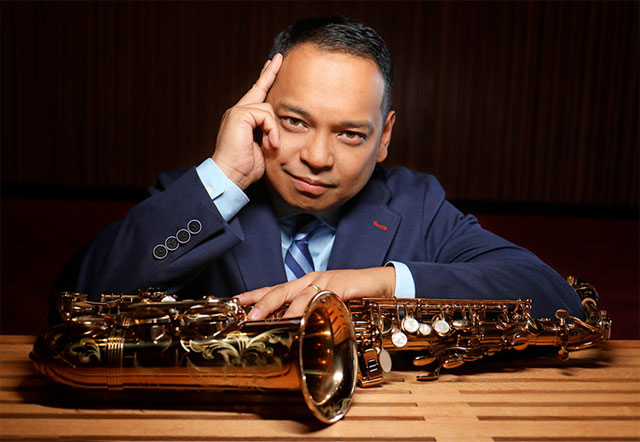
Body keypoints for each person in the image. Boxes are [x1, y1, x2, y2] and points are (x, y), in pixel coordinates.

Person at [56, 16, 583, 320]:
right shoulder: (196, 195)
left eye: (350, 134)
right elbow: (74, 297)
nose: (317, 157)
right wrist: (222, 178)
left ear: (385, 138)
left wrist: (382, 283)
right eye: (295, 122)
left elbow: (555, 297)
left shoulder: (417, 205)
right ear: (258, 110)